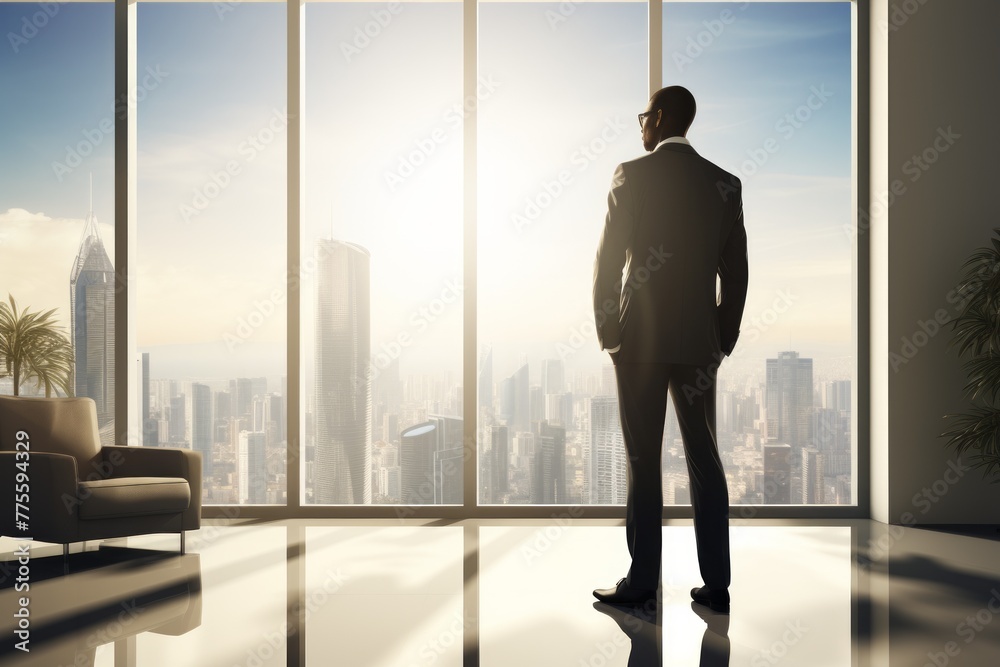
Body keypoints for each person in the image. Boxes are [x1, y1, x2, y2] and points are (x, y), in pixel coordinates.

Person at [591, 85, 748, 614]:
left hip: (638, 341)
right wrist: (722, 336)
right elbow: (738, 272)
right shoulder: (726, 184)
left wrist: (609, 332)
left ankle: (642, 585)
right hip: (699, 342)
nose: (641, 126)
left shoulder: (631, 175)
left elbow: (608, 261)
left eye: (643, 117)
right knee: (705, 457)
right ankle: (717, 585)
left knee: (642, 458)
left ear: (658, 118)